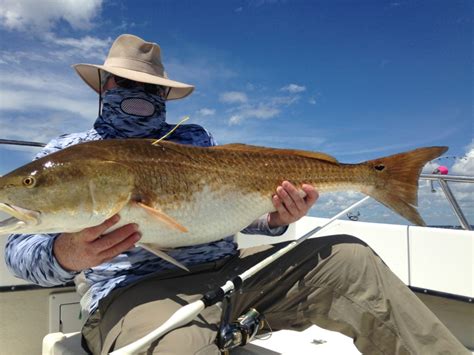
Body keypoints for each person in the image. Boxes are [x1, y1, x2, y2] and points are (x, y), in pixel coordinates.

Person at [5, 34, 468, 355]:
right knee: (174, 347)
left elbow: (234, 214)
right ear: (104, 86)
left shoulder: (194, 139)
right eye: (126, 83)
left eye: (151, 86)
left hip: (233, 275)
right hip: (135, 293)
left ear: (166, 94)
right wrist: (66, 251)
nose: (138, 92)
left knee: (350, 260)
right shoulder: (68, 152)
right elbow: (18, 251)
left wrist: (278, 218)